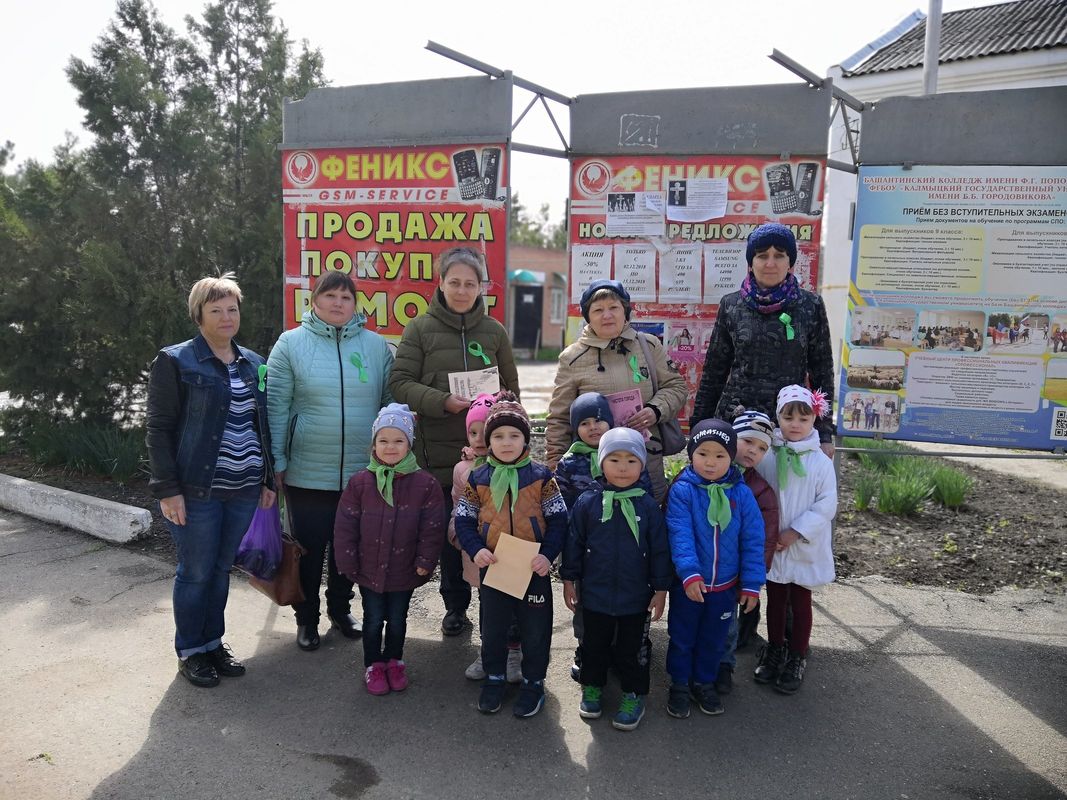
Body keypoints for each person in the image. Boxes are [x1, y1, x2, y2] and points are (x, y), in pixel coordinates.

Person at [146, 273, 276, 688]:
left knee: (221, 569)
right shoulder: (175, 361)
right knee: (196, 571)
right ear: (198, 314)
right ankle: (190, 650)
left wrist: (267, 479)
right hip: (196, 490)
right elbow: (159, 429)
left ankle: (213, 643)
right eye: (215, 309)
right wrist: (168, 489)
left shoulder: (253, 363)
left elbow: (263, 426)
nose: (225, 317)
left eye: (232, 309)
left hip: (243, 488)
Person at [389, 246, 520, 636]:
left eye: (470, 283)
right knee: (453, 535)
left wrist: (499, 404)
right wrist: (442, 401)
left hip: (491, 460)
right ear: (440, 284)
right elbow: (399, 383)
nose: (462, 290)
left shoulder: (494, 332)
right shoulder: (419, 329)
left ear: (482, 287)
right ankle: (455, 606)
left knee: (494, 531)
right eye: (454, 282)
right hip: (440, 456)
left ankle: (498, 611)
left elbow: (512, 389)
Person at [266, 271, 393, 652]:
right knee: (307, 551)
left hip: (361, 472)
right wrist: (278, 459)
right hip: (307, 471)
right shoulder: (290, 344)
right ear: (314, 301)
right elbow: (276, 407)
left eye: (346, 297)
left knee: (348, 550)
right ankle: (306, 619)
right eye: (330, 295)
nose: (338, 303)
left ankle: (340, 610)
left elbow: (388, 405)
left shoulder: (375, 347)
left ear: (356, 305)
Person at [453, 395, 567, 718]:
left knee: (535, 629)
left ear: (526, 439)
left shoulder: (542, 477)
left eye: (514, 435)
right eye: (498, 436)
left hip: (533, 568)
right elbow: (463, 519)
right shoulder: (479, 478)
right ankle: (494, 677)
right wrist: (476, 549)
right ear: (488, 441)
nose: (506, 443)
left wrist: (548, 555)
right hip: (496, 567)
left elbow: (559, 519)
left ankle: (533, 681)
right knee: (494, 626)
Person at [690, 223, 836, 457]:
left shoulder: (810, 305)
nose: (770, 263)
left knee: (783, 492)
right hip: (736, 420)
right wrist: (700, 425)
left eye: (779, 255)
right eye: (762, 256)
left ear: (790, 262)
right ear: (751, 262)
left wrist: (825, 432)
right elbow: (714, 371)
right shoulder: (731, 305)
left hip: (789, 421)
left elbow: (822, 372)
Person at [561, 428, 672, 732]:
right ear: (601, 462)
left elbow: (661, 550)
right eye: (614, 459)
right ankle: (592, 687)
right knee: (593, 646)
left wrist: (661, 589)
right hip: (594, 595)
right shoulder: (587, 503)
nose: (623, 467)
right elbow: (573, 543)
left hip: (635, 598)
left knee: (631, 649)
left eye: (631, 460)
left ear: (642, 465)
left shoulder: (648, 507)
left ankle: (633, 694)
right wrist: (568, 580)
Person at [333, 403, 444, 695]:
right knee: (371, 620)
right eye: (383, 440)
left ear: (410, 444)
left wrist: (425, 560)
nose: (390, 447)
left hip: (404, 569)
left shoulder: (425, 485)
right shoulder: (359, 483)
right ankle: (373, 665)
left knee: (397, 619)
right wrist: (347, 561)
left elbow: (432, 528)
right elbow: (345, 526)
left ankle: (394, 660)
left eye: (398, 440)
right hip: (368, 568)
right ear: (374, 444)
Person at [546, 279, 687, 501]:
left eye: (614, 308)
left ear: (625, 312)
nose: (607, 315)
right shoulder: (572, 358)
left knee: (648, 521)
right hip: (593, 469)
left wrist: (655, 410)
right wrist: (555, 463)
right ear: (588, 317)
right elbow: (559, 417)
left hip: (646, 459)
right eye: (598, 310)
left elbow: (676, 386)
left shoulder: (648, 346)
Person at [664, 420, 765, 719]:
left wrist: (751, 583)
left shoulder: (741, 494)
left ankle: (704, 682)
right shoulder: (683, 491)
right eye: (703, 453)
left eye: (720, 455)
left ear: (731, 457)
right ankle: (680, 684)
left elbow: (753, 539)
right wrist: (689, 573)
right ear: (691, 455)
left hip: (725, 587)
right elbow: (679, 534)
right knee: (682, 637)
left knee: (713, 639)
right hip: (689, 586)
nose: (710, 462)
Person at [753, 385, 838, 695]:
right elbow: (757, 494)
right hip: (774, 545)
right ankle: (775, 649)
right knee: (775, 600)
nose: (795, 424)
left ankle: (797, 655)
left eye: (803, 418)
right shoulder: (768, 456)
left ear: (814, 420)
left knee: (800, 602)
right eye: (788, 417)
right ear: (778, 418)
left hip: (803, 545)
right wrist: (767, 531)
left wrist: (796, 531)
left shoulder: (819, 461)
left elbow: (827, 504)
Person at [449, 393, 523, 684]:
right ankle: (489, 651)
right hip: (479, 551)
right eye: (473, 432)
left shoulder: (520, 469)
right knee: (488, 606)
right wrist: (459, 536)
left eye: (485, 431)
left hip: (514, 551)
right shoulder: (463, 470)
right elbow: (458, 509)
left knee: (514, 608)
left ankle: (514, 652)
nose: (479, 439)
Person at [716, 411, 780, 693]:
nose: (753, 451)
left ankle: (723, 668)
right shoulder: (702, 472)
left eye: (762, 448)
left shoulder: (761, 491)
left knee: (726, 625)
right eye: (748, 442)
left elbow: (764, 541)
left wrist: (752, 580)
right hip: (699, 571)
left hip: (732, 575)